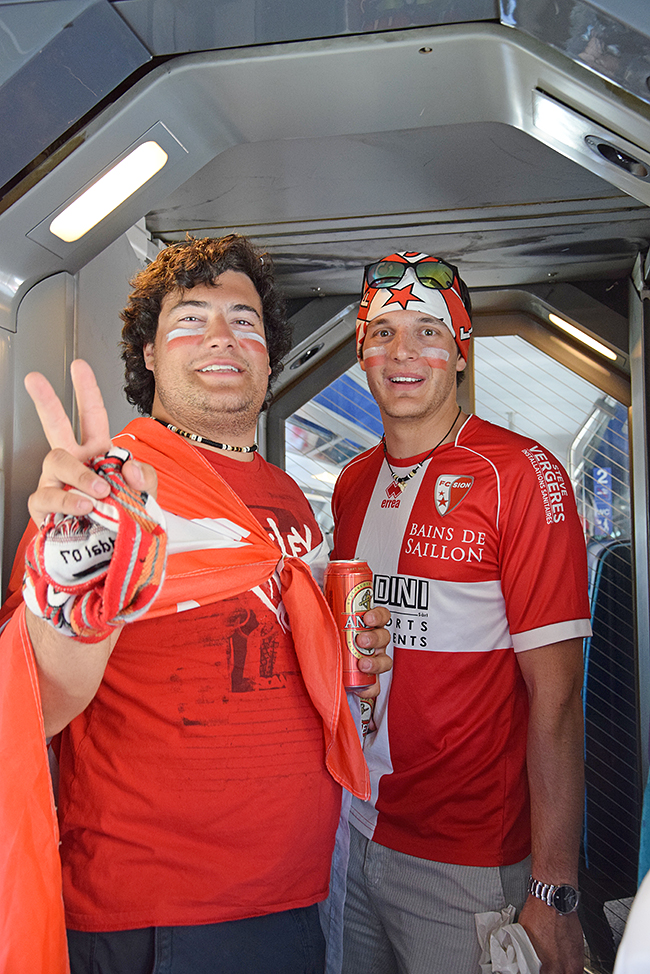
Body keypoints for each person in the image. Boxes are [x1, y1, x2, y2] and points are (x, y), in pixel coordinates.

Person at [0, 235, 391, 974]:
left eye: (245, 322)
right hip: (159, 915)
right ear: (148, 355)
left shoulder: (289, 502)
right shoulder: (108, 493)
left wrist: (344, 649)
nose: (222, 337)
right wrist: (76, 590)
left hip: (292, 897)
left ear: (269, 355)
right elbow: (38, 701)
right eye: (191, 319)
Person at [331, 251, 592, 974]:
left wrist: (555, 889)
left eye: (427, 330)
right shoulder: (352, 483)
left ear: (461, 349)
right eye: (382, 330)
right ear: (359, 347)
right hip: (357, 838)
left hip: (469, 861)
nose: (403, 352)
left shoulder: (520, 475)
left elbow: (560, 699)